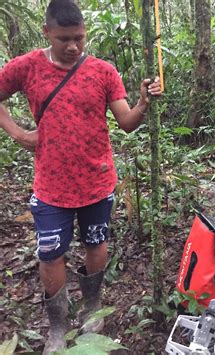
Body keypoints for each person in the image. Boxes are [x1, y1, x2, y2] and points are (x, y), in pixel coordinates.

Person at [0, 1, 161, 353]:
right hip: (51, 185)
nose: (73, 46)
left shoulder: (103, 71)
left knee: (95, 244)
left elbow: (127, 123)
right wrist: (18, 133)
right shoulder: (26, 67)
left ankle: (91, 308)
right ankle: (57, 326)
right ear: (47, 33)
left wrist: (143, 103)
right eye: (64, 39)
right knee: (50, 255)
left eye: (79, 38)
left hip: (97, 180)